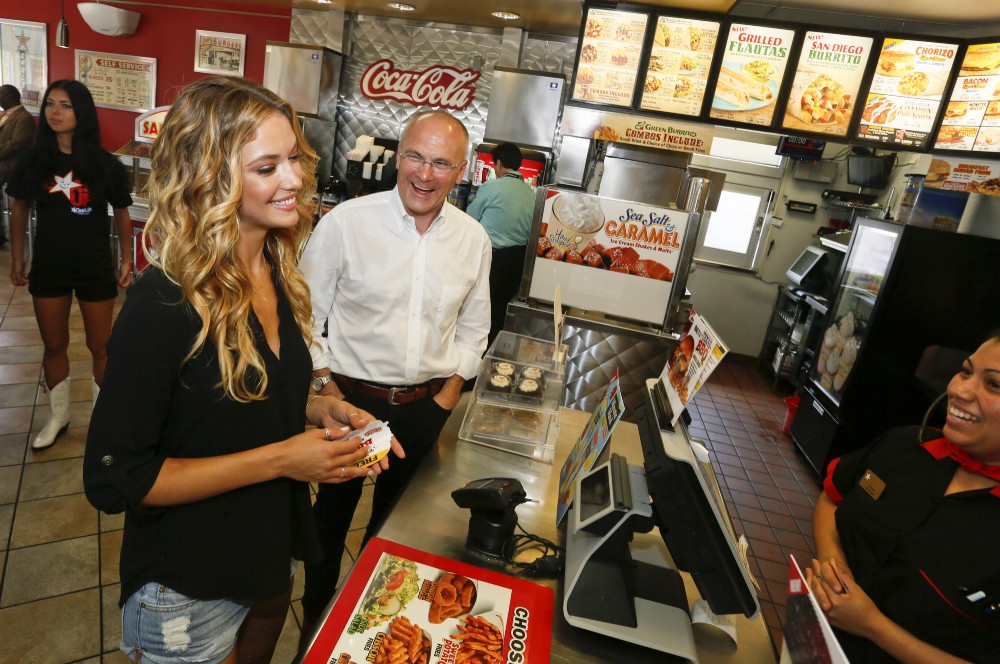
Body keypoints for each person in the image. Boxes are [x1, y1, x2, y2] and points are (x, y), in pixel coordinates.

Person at [83, 76, 402, 664]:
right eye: (267, 167)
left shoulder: (274, 270)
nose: (295, 180)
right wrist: (286, 457)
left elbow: (228, 394)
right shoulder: (162, 306)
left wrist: (315, 406)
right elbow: (116, 477)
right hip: (188, 581)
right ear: (210, 180)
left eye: (294, 160)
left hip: (263, 547)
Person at [299, 109, 491, 636]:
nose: (425, 174)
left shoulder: (473, 240)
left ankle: (365, 631)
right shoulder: (346, 224)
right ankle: (316, 626)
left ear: (461, 170)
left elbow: (475, 330)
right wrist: (323, 386)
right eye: (415, 157)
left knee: (395, 534)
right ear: (397, 155)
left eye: (441, 163)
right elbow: (303, 315)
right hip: (349, 405)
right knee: (328, 523)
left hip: (424, 411)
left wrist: (448, 395)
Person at [808, 335, 1000, 663]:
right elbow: (831, 498)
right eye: (966, 372)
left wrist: (873, 626)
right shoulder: (905, 445)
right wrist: (834, 566)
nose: (958, 390)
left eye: (994, 384)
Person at [6, 80, 133, 450]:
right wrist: (18, 257)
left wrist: (126, 259)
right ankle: (58, 417)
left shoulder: (104, 162)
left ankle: (102, 422)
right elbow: (19, 208)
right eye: (50, 105)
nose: (55, 112)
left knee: (101, 346)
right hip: (49, 266)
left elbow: (122, 214)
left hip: (94, 266)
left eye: (65, 105)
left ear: (82, 113)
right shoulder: (35, 159)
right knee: (53, 345)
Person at [466, 142, 536, 347]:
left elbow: (470, 220)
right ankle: (493, 353)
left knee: (481, 309)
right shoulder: (531, 194)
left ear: (498, 163)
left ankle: (475, 357)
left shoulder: (492, 186)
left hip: (493, 259)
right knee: (500, 310)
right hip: (518, 261)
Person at [0, 84, 35, 247]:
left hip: (12, 166)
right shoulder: (5, 115)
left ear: (9, 98)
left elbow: (17, 144)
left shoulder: (24, 118)